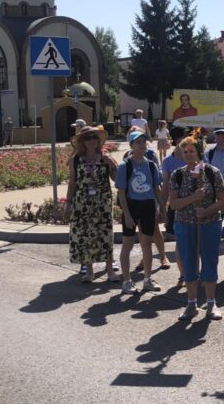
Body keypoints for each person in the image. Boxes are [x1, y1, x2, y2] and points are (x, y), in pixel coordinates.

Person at [168, 137, 224, 321]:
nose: (188, 155)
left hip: (209, 225)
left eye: (191, 151)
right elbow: (174, 204)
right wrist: (193, 198)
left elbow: (223, 201)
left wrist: (207, 210)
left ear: (199, 152)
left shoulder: (211, 172)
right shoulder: (177, 174)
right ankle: (191, 303)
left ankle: (211, 303)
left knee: (210, 262)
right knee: (189, 263)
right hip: (185, 225)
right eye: (185, 152)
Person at [116, 132, 165, 293]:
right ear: (131, 145)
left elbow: (157, 189)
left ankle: (147, 279)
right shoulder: (125, 166)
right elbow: (121, 193)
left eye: (144, 142)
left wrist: (162, 208)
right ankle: (127, 281)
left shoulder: (151, 165)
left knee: (147, 243)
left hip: (148, 206)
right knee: (127, 244)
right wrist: (127, 215)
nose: (142, 145)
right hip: (132, 206)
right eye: (138, 142)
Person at [65, 125, 116, 283]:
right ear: (81, 141)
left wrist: (112, 165)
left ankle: (110, 271)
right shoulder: (76, 159)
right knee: (85, 235)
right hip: (82, 203)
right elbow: (72, 183)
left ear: (98, 140)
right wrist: (68, 204)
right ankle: (89, 271)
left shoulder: (104, 156)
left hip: (102, 202)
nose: (91, 141)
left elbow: (116, 179)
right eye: (87, 138)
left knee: (105, 234)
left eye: (94, 137)